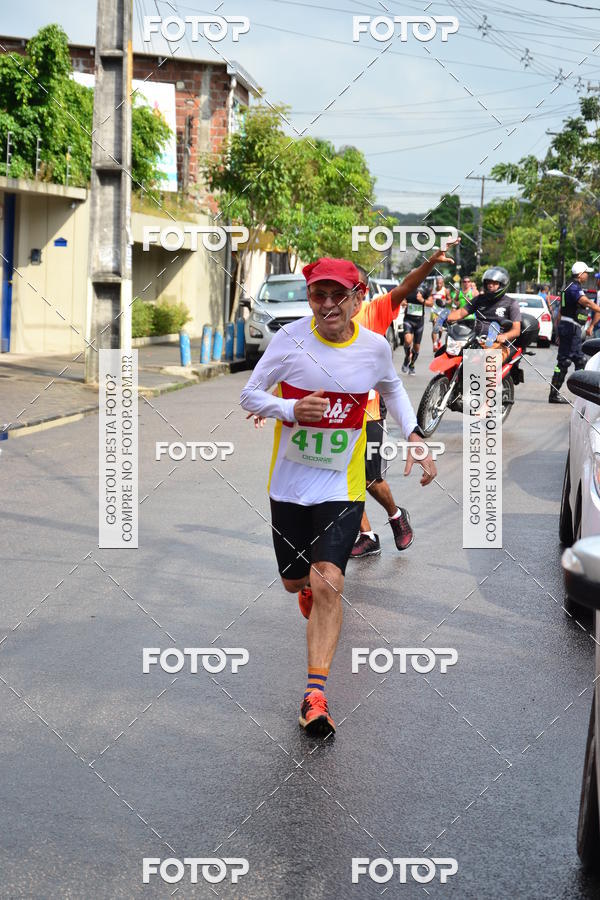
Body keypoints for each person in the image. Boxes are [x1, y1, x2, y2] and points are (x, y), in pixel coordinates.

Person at [240, 257, 438, 737]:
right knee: (296, 584)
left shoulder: (372, 347)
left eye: (338, 294)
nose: (328, 304)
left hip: (341, 487)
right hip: (289, 486)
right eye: (318, 295)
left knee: (329, 581)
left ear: (358, 295)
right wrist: (288, 407)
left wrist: (413, 433)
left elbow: (392, 389)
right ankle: (304, 588)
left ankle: (315, 695)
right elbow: (249, 395)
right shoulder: (289, 341)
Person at [351, 247, 457, 558]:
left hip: (369, 411)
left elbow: (406, 287)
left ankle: (396, 516)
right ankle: (367, 534)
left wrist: (428, 264)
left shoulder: (373, 310)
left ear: (363, 291)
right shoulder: (324, 319)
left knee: (369, 479)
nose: (342, 296)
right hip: (336, 415)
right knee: (343, 477)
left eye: (352, 288)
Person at [549, 261, 600, 403]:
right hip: (571, 329)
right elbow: (586, 302)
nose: (587, 275)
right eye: (586, 273)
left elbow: (560, 311)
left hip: (569, 328)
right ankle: (582, 395)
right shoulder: (574, 288)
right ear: (580, 274)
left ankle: (563, 393)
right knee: (574, 360)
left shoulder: (569, 286)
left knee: (567, 360)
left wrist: (559, 331)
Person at [446, 265, 521, 362]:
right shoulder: (479, 299)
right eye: (488, 282)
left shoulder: (511, 303)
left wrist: (505, 336)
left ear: (502, 284)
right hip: (475, 341)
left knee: (487, 367)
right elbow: (461, 313)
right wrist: (444, 318)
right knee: (451, 355)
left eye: (495, 283)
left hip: (498, 344)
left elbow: (516, 330)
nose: (490, 285)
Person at [401, 282, 433, 375]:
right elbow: (402, 300)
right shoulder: (407, 287)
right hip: (408, 319)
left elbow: (431, 303)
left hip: (419, 321)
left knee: (416, 347)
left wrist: (422, 300)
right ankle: (407, 357)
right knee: (407, 340)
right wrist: (403, 302)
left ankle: (412, 365)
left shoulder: (425, 288)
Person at [430, 275, 450, 352]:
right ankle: (434, 344)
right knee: (435, 326)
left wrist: (445, 302)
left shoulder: (445, 291)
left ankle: (438, 340)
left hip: (442, 311)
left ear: (442, 283)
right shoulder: (433, 290)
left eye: (440, 283)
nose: (439, 285)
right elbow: (430, 299)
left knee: (440, 330)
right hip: (434, 311)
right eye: (438, 283)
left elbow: (449, 300)